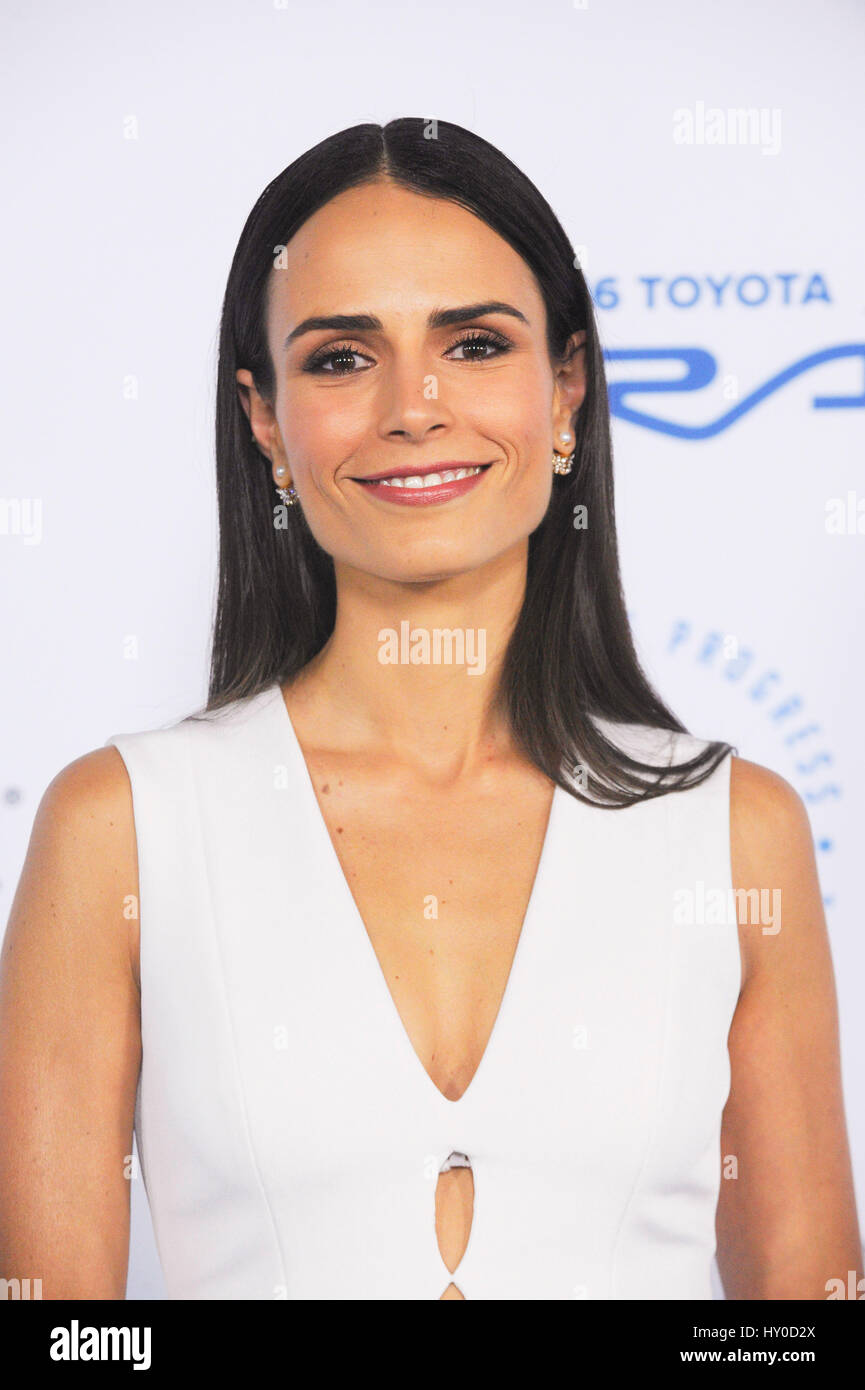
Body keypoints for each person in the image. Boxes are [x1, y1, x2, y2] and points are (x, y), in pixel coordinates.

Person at [0, 119, 860, 1301]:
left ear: (565, 390)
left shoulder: (732, 827)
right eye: (342, 358)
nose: (415, 406)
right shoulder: (119, 827)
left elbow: (800, 1318)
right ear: (265, 422)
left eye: (473, 342)